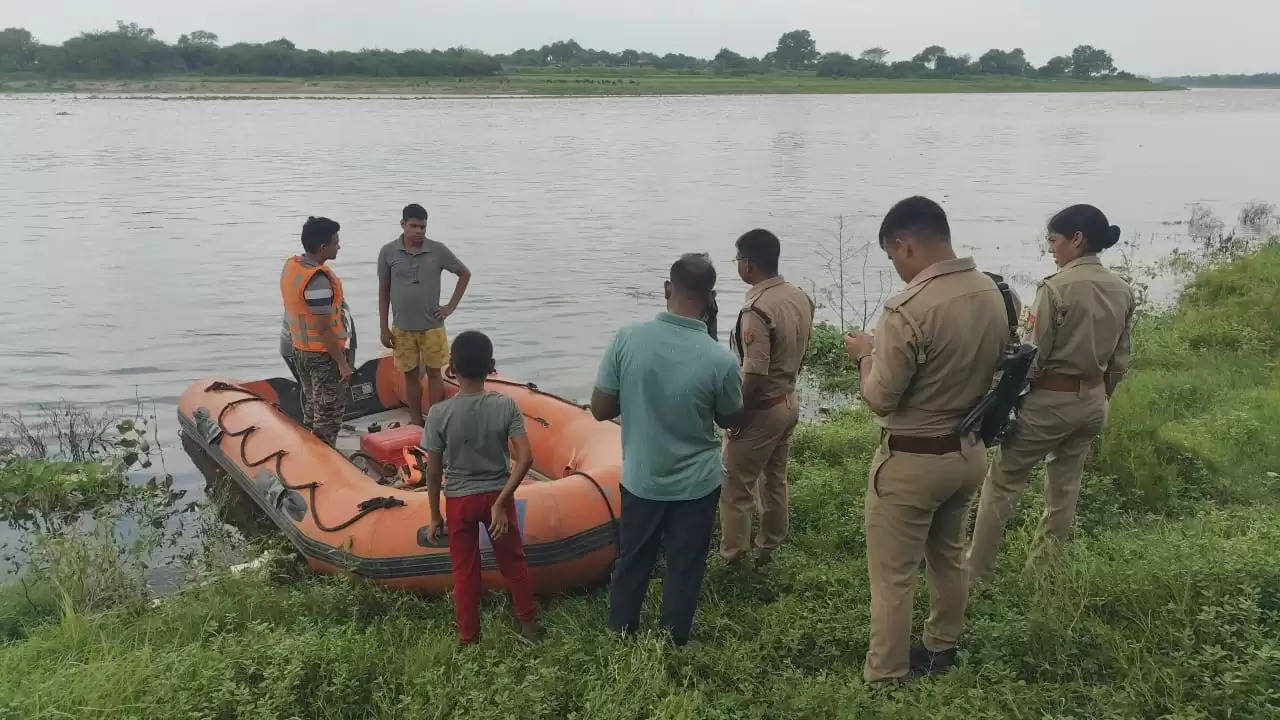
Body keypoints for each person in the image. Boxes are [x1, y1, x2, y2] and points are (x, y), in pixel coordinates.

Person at [842, 197, 1008, 682]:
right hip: (968, 451)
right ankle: (942, 646)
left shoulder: (907, 308)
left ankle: (886, 673)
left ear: (904, 244)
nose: (896, 268)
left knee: (893, 576)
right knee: (948, 554)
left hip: (913, 462)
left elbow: (880, 398)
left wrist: (865, 356)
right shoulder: (991, 291)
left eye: (893, 257)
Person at [965, 205, 1135, 584]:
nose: (1050, 249)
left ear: (1077, 239)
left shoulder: (1055, 288)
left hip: (1048, 403)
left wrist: (1009, 402)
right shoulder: (1122, 289)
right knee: (1065, 486)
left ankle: (976, 575)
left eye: (1054, 240)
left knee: (1003, 482)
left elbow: (1031, 357)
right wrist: (1099, 396)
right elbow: (1121, 358)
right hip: (1093, 402)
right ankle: (1043, 572)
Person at [591, 253, 744, 646]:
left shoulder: (627, 338)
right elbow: (730, 418)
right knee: (685, 565)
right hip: (697, 485)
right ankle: (673, 639)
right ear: (710, 298)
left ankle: (621, 632)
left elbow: (600, 409)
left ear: (667, 288)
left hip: (643, 477)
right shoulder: (720, 360)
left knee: (632, 559)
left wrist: (640, 391)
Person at [422, 331, 540, 644]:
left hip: (459, 502)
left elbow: (433, 472)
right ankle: (529, 628)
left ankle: (469, 639)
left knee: (464, 572)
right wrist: (501, 502)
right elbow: (526, 458)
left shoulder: (438, 414)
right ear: (491, 366)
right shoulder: (506, 406)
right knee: (513, 563)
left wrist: (435, 515)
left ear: (452, 367)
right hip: (495, 497)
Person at [720, 229, 814, 566]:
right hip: (789, 401)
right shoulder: (798, 296)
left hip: (763, 409)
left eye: (738, 259)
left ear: (748, 263)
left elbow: (755, 375)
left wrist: (736, 417)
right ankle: (770, 545)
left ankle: (734, 557)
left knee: (735, 487)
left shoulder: (756, 311)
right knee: (774, 478)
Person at [378, 203, 472, 426]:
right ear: (403, 225)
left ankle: (436, 420)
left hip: (432, 326)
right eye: (414, 226)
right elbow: (383, 290)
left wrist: (450, 307)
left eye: (423, 227)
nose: (419, 231)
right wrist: (383, 326)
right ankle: (414, 419)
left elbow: (464, 274)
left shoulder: (437, 250)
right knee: (410, 375)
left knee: (434, 374)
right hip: (402, 327)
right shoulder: (388, 252)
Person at [279, 216, 350, 446]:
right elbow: (324, 329)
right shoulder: (318, 282)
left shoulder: (293, 268)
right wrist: (341, 362)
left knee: (312, 408)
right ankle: (326, 467)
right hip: (323, 356)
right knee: (327, 417)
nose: (338, 246)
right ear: (323, 247)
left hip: (301, 350)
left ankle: (309, 454)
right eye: (335, 242)